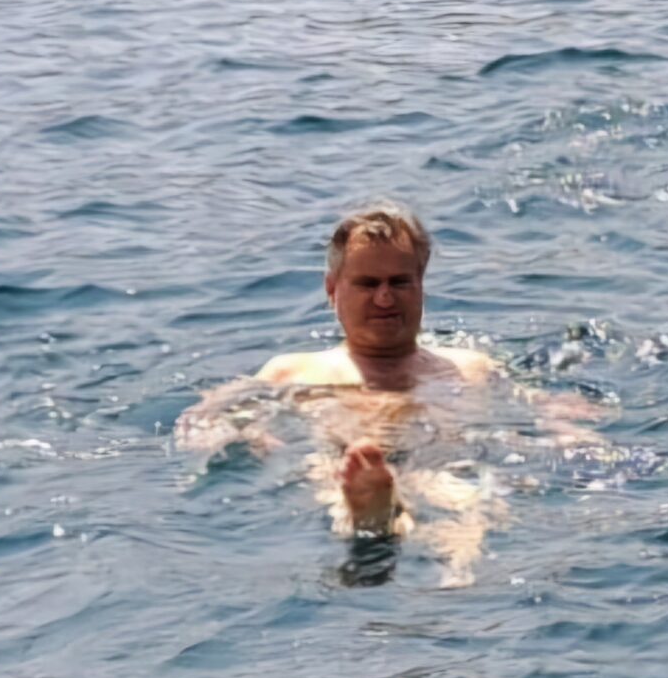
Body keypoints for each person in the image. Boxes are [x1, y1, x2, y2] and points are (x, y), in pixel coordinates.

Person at [177, 204, 598, 584]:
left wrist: (567, 426)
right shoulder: (293, 370)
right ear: (332, 289)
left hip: (441, 458)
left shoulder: (472, 367)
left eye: (399, 282)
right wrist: (249, 437)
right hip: (340, 457)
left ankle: (448, 575)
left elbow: (536, 408)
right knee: (327, 472)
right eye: (367, 284)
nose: (384, 298)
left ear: (420, 286)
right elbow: (207, 417)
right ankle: (373, 518)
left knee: (469, 499)